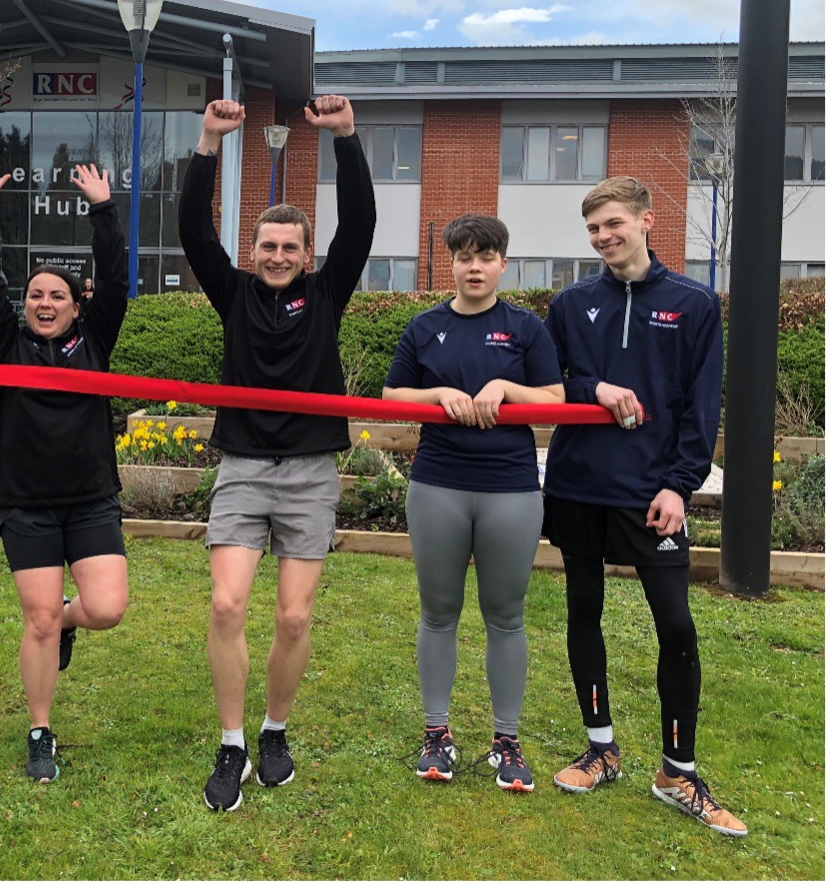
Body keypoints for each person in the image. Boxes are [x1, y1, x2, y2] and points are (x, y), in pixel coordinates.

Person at [179, 95, 375, 811]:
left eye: (292, 247)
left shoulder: (328, 294)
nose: (280, 257)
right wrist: (208, 143)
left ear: (307, 254)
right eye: (269, 246)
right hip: (243, 468)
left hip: (310, 472)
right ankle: (231, 743)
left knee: (294, 618)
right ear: (253, 251)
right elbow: (191, 229)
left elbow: (361, 224)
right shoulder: (233, 294)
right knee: (228, 604)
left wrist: (345, 140)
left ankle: (273, 730)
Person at [542, 176, 746, 836]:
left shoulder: (691, 304)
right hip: (577, 484)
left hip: (651, 493)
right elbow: (554, 381)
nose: (603, 237)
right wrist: (595, 386)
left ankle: (678, 772)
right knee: (583, 611)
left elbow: (700, 404)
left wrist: (678, 486)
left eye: (613, 224)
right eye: (594, 228)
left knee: (678, 628)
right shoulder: (572, 303)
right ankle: (600, 748)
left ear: (645, 220)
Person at [382, 214, 562, 792]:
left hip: (510, 487)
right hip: (438, 484)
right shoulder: (425, 327)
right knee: (438, 612)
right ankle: (437, 733)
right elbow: (392, 396)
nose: (474, 266)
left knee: (506, 617)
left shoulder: (525, 329)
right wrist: (438, 393)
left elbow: (555, 399)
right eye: (464, 256)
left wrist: (505, 389)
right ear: (451, 264)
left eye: (486, 257)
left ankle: (505, 741)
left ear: (502, 264)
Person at [0, 157, 129, 783]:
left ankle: (66, 617)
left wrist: (103, 210)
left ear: (74, 305)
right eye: (35, 294)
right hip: (28, 504)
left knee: (108, 608)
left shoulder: (95, 342)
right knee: (35, 620)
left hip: (90, 499)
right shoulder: (8, 346)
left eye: (56, 294)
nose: (44, 302)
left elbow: (115, 279)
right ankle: (40, 732)